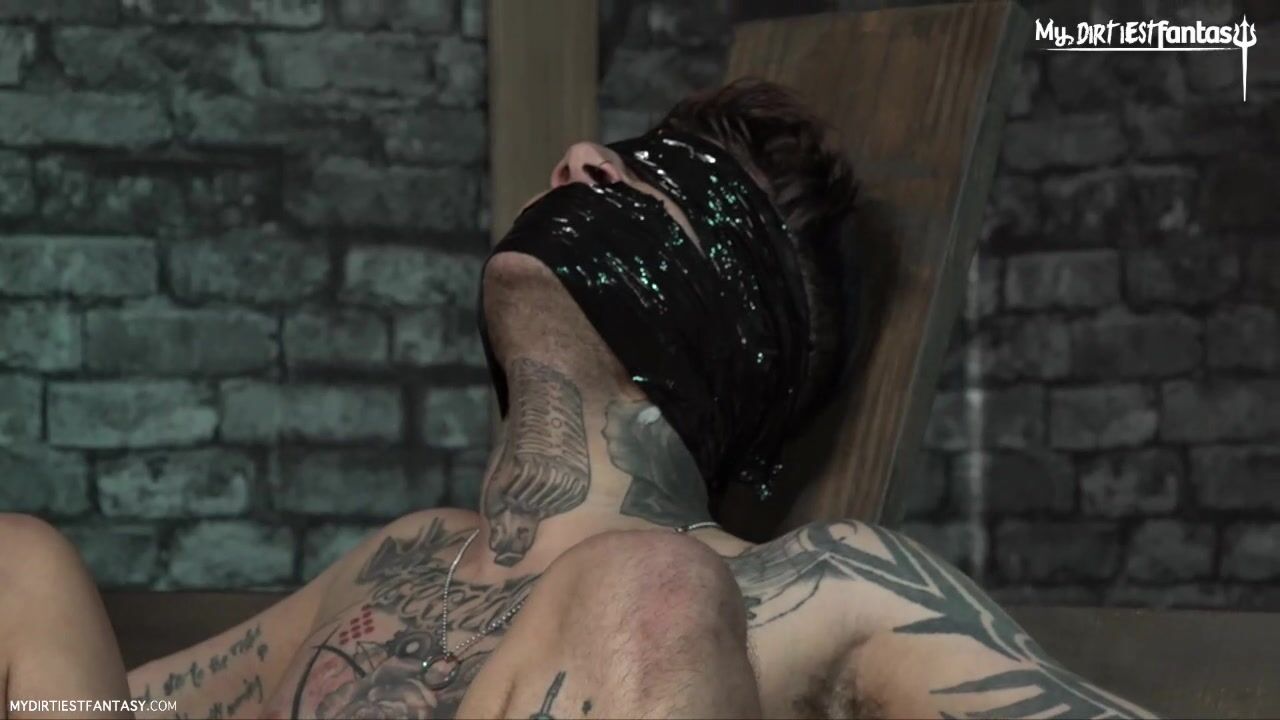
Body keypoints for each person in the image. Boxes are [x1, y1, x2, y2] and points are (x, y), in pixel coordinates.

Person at [0, 79, 1157, 720]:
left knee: (641, 588)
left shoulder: (822, 585)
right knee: (16, 568)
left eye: (657, 189)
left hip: (661, 603)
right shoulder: (400, 563)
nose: (577, 159)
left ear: (729, 330)